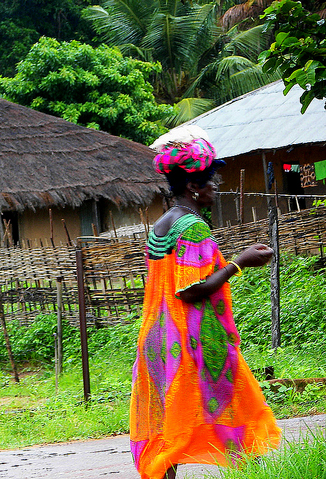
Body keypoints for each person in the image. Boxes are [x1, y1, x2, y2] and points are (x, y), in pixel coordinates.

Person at [130, 127, 281, 479]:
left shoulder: (162, 224)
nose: (216, 185)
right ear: (193, 186)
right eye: (210, 180)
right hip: (194, 338)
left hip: (159, 336)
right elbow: (190, 289)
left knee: (171, 416)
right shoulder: (192, 226)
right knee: (240, 404)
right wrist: (239, 262)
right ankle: (250, 472)